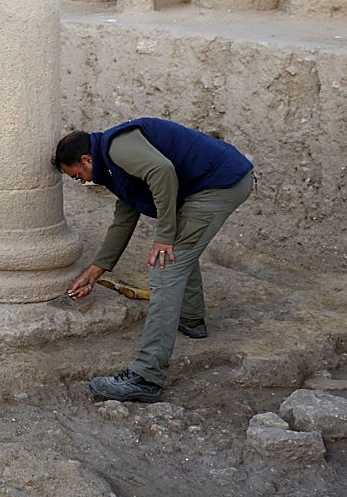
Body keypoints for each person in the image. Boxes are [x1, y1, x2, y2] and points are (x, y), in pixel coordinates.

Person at [53, 117, 254, 403]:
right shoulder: (114, 168)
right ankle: (190, 319)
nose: (81, 181)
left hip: (219, 183)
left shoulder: (117, 148)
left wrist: (165, 234)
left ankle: (146, 376)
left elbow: (163, 171)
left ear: (86, 159)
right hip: (218, 180)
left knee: (166, 264)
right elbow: (124, 219)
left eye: (76, 175)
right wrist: (95, 270)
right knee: (178, 253)